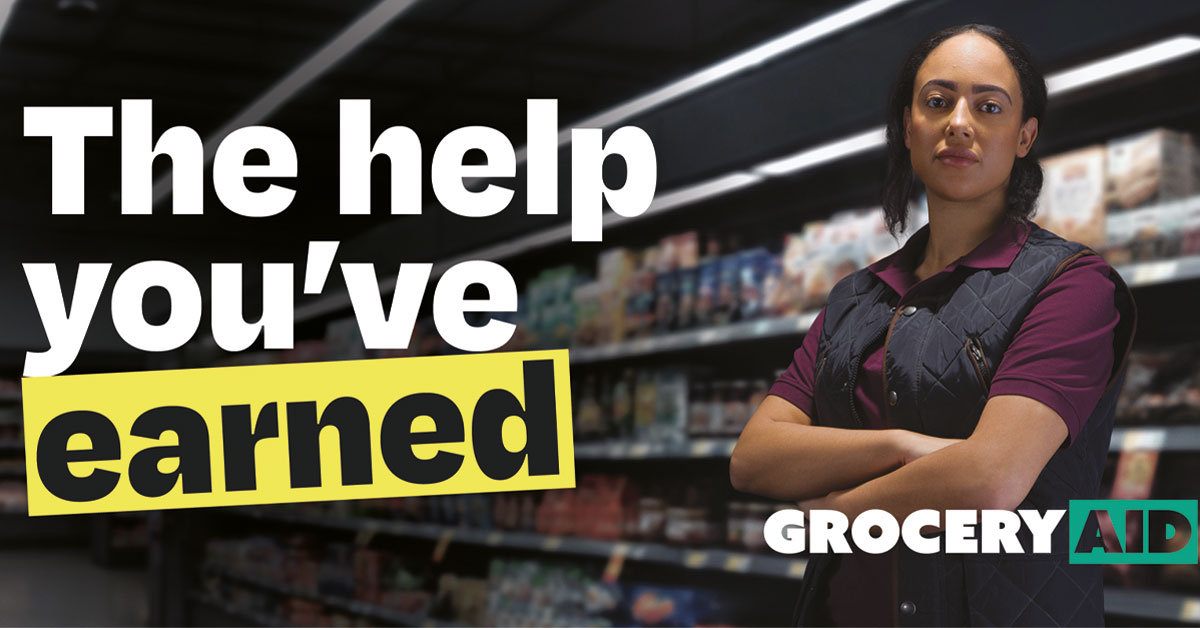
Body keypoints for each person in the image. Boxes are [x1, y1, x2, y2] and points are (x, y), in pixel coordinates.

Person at [729, 23, 1137, 627]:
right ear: (908, 127)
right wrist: (901, 447)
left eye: (989, 106)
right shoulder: (854, 299)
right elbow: (755, 456)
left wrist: (832, 519)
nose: (960, 122)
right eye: (937, 102)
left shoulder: (1072, 285)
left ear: (1024, 137)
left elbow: (990, 477)